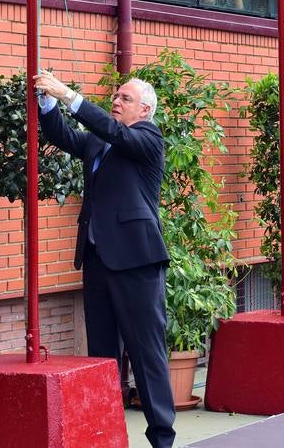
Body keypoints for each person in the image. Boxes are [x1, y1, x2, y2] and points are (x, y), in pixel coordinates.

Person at [33, 70, 176, 448]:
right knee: (101, 354)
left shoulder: (148, 137)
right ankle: (107, 434)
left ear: (144, 109)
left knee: (146, 353)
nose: (116, 101)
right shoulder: (100, 142)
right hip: (97, 259)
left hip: (137, 262)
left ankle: (162, 438)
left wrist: (67, 94)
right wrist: (47, 102)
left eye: (124, 98)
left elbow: (116, 133)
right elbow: (63, 136)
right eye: (114, 95)